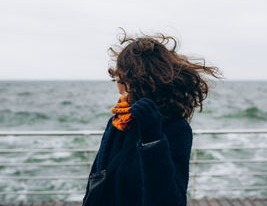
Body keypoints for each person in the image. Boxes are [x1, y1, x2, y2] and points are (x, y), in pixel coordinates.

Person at [82, 28, 223, 206]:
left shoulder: (175, 128)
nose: (117, 81)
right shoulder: (118, 121)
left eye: (121, 74)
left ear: (134, 79)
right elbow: (97, 180)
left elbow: (172, 201)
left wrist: (152, 141)